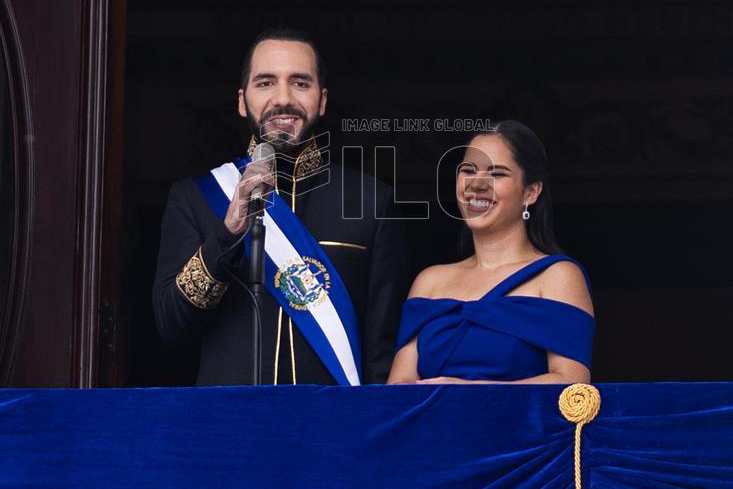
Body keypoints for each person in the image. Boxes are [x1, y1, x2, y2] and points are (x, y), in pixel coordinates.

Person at [153, 28, 408, 386]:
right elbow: (171, 324)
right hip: (229, 426)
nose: (283, 98)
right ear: (242, 101)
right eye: (266, 83)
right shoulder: (196, 198)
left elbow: (382, 351)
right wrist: (226, 235)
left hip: (331, 428)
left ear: (322, 100)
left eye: (300, 83)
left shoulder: (370, 201)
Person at [388, 121, 594, 385]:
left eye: (497, 174)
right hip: (433, 427)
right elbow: (397, 389)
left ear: (530, 192)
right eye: (468, 170)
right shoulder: (429, 282)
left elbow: (572, 385)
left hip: (520, 427)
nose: (477, 184)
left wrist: (470, 392)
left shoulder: (558, 276)